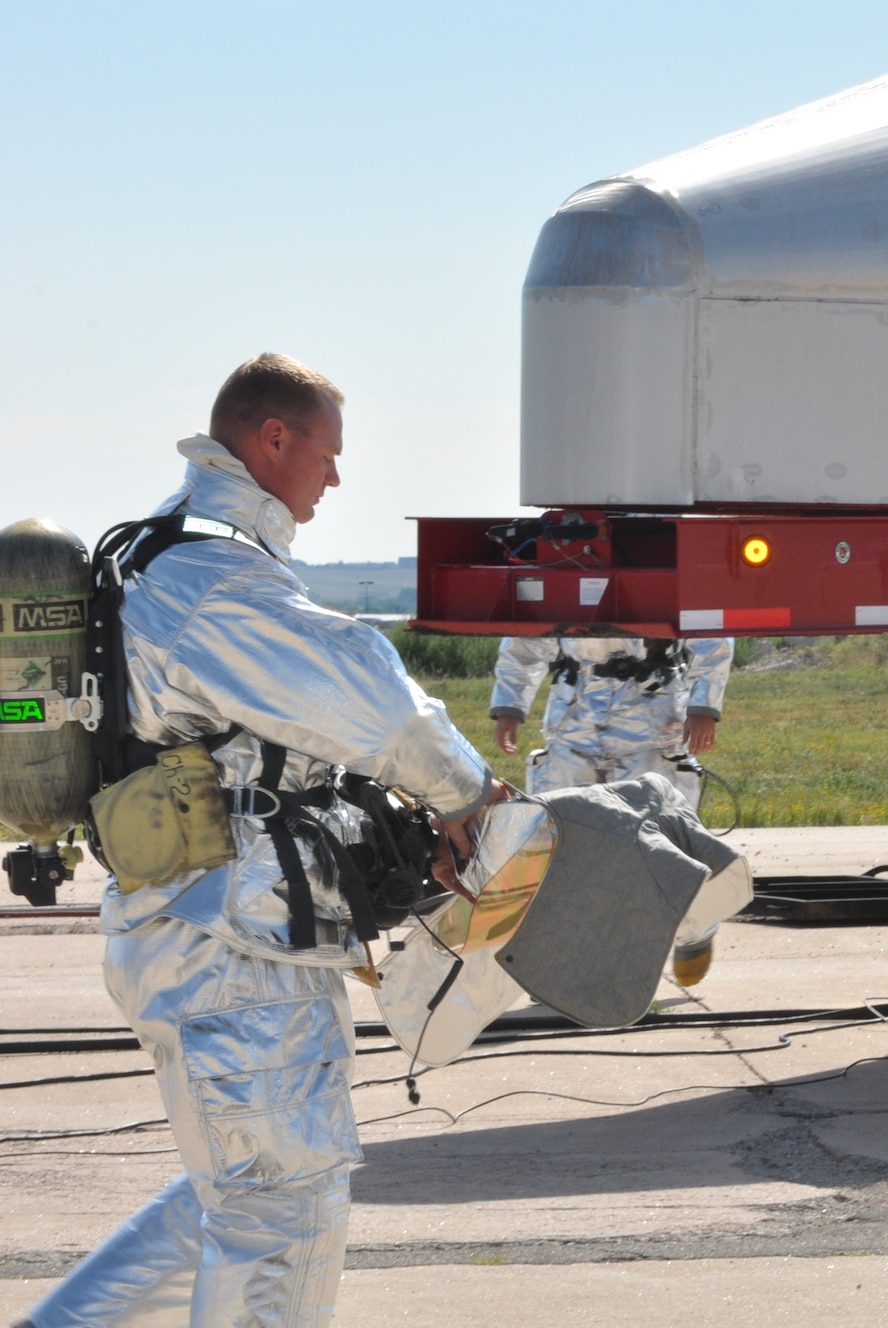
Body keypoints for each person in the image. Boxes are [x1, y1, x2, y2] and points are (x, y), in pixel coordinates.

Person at [24, 354, 501, 1328]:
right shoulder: (211, 576)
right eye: (326, 453)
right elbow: (370, 696)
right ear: (271, 439)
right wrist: (469, 793)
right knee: (286, 1205)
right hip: (235, 942)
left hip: (188, 925)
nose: (335, 478)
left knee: (230, 1197)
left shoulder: (165, 552)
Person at [489, 633, 733, 982]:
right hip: (574, 713)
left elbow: (711, 632)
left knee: (660, 842)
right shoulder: (560, 577)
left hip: (652, 715)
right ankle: (569, 964)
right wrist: (509, 707)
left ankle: (695, 927)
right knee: (562, 846)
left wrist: (703, 706)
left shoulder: (664, 576)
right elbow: (526, 640)